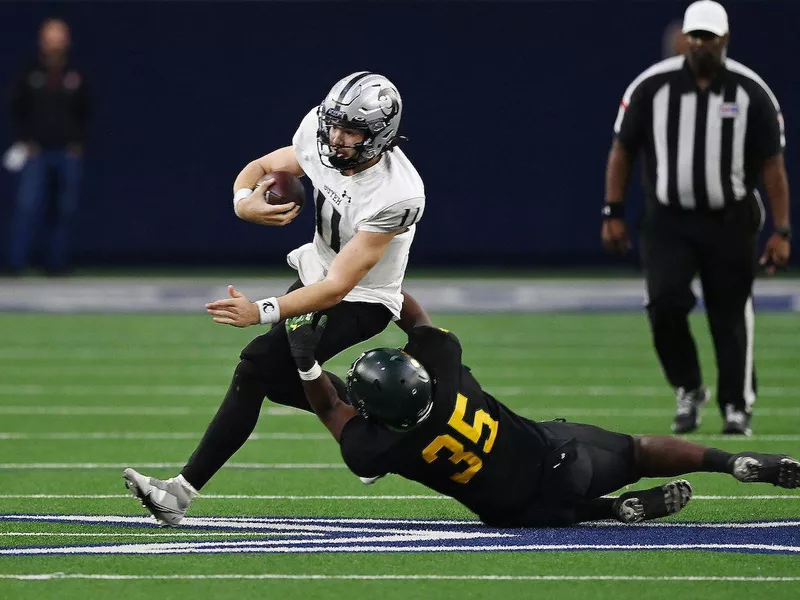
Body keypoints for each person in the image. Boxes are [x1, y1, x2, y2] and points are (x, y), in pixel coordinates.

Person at [123, 72, 426, 524]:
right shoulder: (320, 131)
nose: (337, 138)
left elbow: (339, 288)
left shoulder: (397, 193)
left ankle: (179, 494)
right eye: (334, 125)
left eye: (352, 131)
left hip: (361, 300)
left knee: (256, 367)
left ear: (380, 135)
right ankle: (370, 436)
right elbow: (263, 166)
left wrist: (260, 310)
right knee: (278, 378)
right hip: (316, 272)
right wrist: (243, 201)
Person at [601, 1, 791, 436]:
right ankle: (689, 387)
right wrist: (612, 210)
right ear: (684, 37)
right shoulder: (652, 86)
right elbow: (623, 148)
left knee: (729, 310)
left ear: (724, 39)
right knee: (664, 303)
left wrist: (781, 230)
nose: (700, 44)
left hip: (731, 220)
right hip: (669, 220)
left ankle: (736, 405)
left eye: (709, 36)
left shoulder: (750, 91)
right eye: (695, 36)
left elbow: (772, 165)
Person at [6, 18, 90, 275]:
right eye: (50, 36)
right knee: (28, 207)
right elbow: (17, 110)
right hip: (37, 153)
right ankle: (16, 265)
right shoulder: (30, 75)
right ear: (42, 41)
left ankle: (57, 265)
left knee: (64, 209)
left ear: (67, 41)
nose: (55, 42)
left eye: (59, 36)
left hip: (66, 153)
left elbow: (86, 113)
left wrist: (78, 143)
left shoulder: (74, 76)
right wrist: (25, 141)